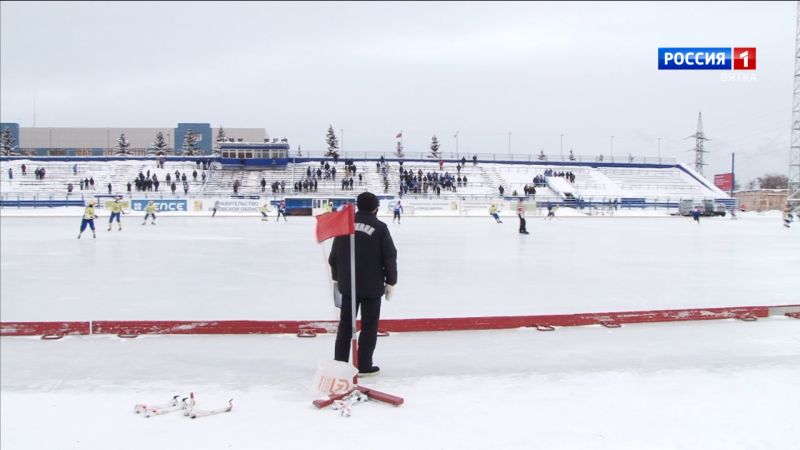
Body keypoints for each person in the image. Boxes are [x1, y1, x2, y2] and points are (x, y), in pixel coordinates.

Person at [330, 192, 398, 376]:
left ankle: (340, 364)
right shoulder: (380, 227)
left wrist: (337, 277)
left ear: (358, 206)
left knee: (345, 325)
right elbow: (390, 256)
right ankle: (364, 364)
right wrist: (391, 281)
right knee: (369, 326)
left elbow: (333, 256)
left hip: (349, 285)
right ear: (376, 208)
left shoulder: (344, 226)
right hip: (372, 286)